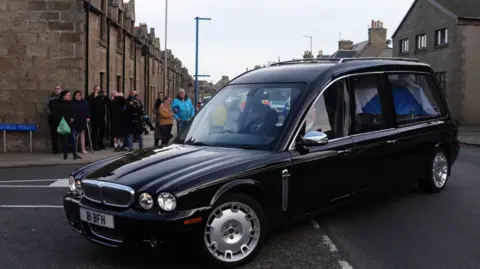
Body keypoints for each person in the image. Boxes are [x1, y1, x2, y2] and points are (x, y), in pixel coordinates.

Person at [51, 90, 80, 160]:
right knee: (64, 140)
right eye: (67, 95)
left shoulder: (72, 103)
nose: (69, 96)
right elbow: (56, 113)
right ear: (64, 96)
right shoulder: (59, 104)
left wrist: (73, 118)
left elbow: (75, 112)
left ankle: (74, 154)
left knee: (73, 139)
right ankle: (65, 154)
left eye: (69, 95)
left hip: (71, 123)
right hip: (63, 123)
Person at [86, 85, 108, 150]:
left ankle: (101, 144)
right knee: (94, 132)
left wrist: (105, 95)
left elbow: (108, 101)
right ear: (94, 90)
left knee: (102, 131)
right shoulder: (90, 97)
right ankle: (94, 146)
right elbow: (89, 104)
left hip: (101, 116)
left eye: (99, 90)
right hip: (94, 117)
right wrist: (95, 97)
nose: (98, 91)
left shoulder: (102, 97)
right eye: (97, 89)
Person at [44, 85, 62, 154]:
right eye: (56, 89)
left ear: (61, 90)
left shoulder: (63, 97)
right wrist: (51, 114)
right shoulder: (50, 97)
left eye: (58, 89)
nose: (57, 90)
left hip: (62, 119)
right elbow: (46, 106)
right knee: (54, 134)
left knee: (62, 133)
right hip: (53, 118)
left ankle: (62, 148)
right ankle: (55, 149)